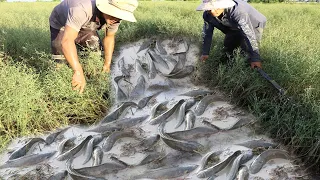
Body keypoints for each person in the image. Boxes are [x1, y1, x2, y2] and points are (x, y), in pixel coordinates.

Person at [49, 0, 138, 93]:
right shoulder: (81, 9)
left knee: (94, 50)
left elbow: (109, 37)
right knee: (60, 61)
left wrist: (107, 65)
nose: (116, 19)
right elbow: (67, 41)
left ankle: (90, 80)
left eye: (120, 16)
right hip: (61, 22)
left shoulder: (115, 18)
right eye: (114, 14)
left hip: (86, 24)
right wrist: (78, 71)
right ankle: (66, 88)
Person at [196, 0, 266, 69]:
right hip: (233, 25)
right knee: (229, 46)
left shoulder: (238, 11)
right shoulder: (207, 15)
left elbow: (249, 34)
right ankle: (229, 65)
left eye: (216, 7)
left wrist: (255, 59)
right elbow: (207, 34)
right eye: (209, 9)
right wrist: (205, 53)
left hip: (254, 22)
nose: (213, 11)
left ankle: (251, 68)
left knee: (247, 49)